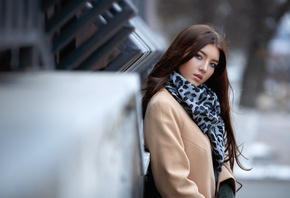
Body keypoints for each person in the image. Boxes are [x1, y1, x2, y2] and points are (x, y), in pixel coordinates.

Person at [142, 24, 247, 198]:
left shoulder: (205, 103)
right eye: (199, 56)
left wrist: (225, 188)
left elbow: (218, 156)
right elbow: (174, 185)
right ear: (181, 52)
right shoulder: (163, 105)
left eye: (212, 64)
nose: (205, 68)